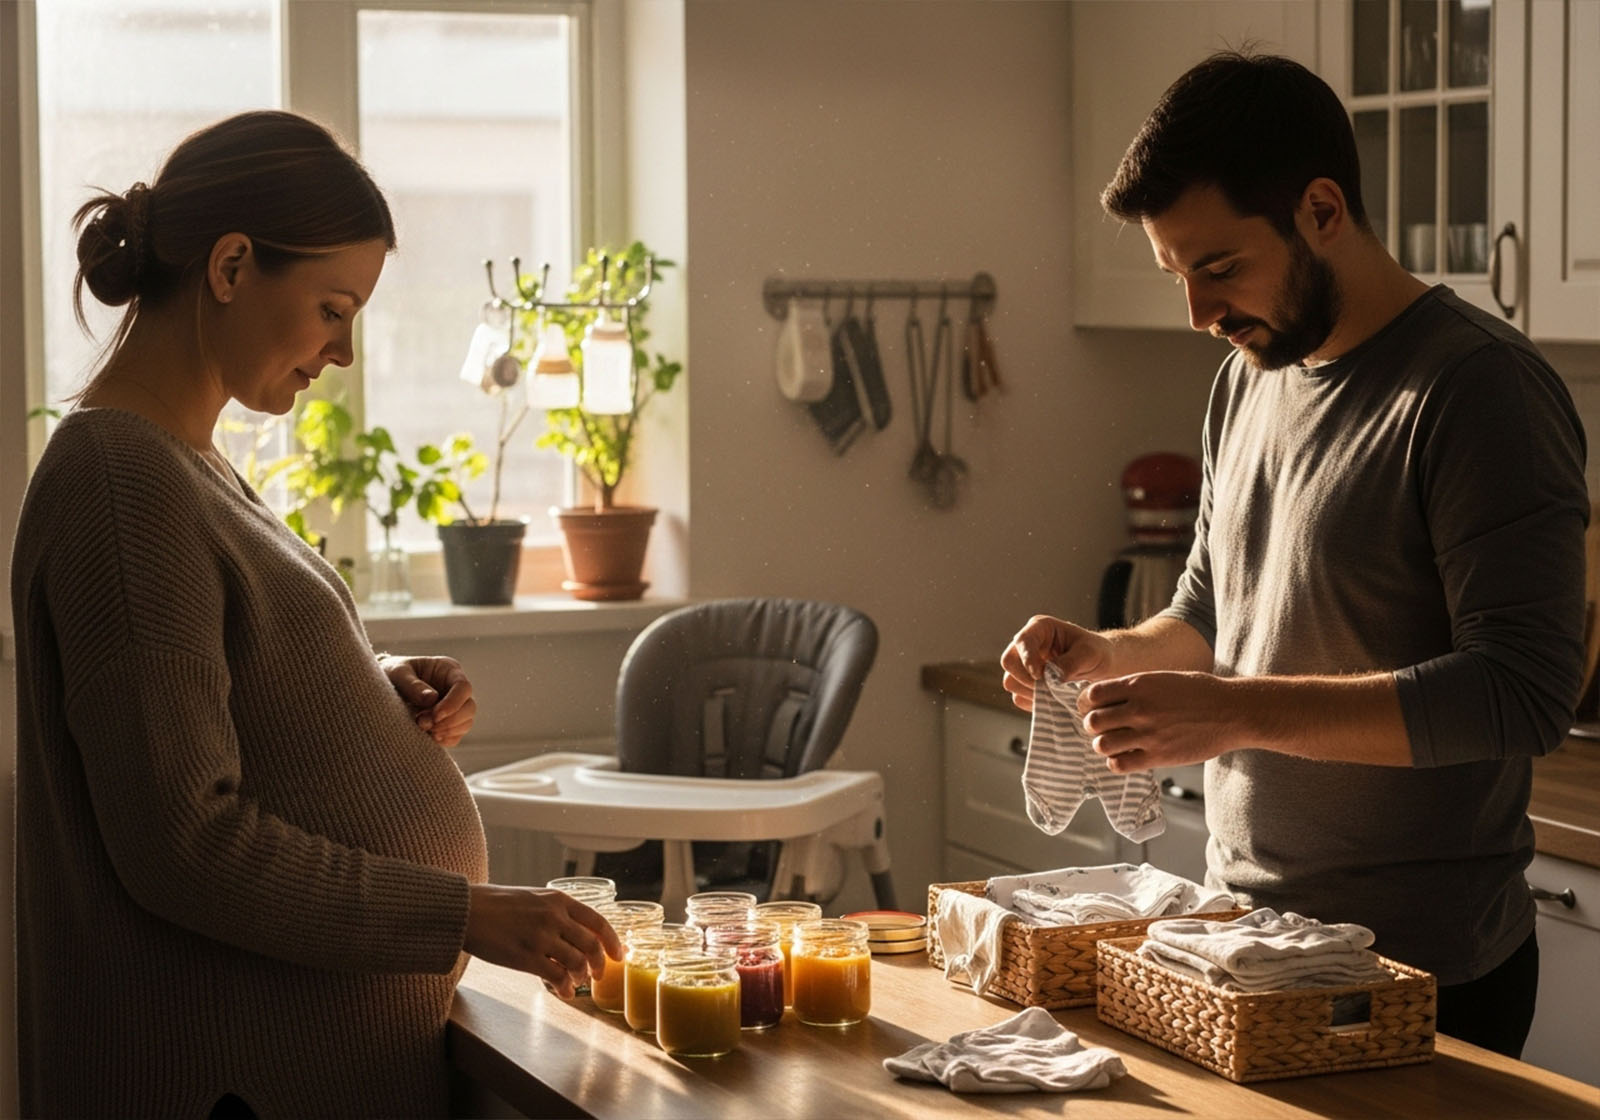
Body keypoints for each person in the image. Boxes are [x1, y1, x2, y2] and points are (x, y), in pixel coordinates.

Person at [11, 110, 622, 1118]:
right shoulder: (122, 482)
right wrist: (464, 914)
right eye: (333, 307)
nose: (343, 351)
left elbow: (204, 693)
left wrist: (367, 696)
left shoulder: (183, 461)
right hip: (222, 1083)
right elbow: (183, 842)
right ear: (232, 265)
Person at [1002, 52, 1586, 1060]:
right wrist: (1105, 650)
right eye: (1177, 275)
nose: (1198, 313)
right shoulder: (1249, 379)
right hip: (1248, 945)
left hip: (1420, 975)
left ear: (1322, 210)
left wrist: (1236, 709)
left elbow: (1522, 693)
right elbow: (1207, 613)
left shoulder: (1475, 389)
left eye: (1218, 267)